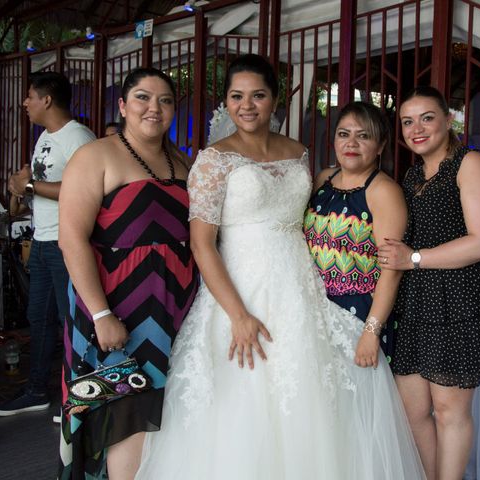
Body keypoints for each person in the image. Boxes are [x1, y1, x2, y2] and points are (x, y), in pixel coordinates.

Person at [136, 54, 425, 480]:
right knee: (242, 399)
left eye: (258, 95)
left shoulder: (299, 153)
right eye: (237, 96)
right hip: (239, 291)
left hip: (299, 288)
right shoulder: (214, 160)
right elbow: (202, 244)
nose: (247, 105)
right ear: (227, 102)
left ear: (275, 101)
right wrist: (238, 315)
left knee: (310, 399)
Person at [57, 67, 198, 479]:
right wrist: (100, 314)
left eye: (165, 100)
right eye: (142, 97)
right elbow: (72, 239)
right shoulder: (95, 155)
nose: (154, 108)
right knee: (122, 412)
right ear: (122, 105)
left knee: (164, 411)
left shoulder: (182, 162)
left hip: (175, 305)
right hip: (116, 305)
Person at [378, 86, 480, 480]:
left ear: (448, 120)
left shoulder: (470, 163)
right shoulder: (412, 173)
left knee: (450, 410)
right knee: (413, 410)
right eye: (407, 121)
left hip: (463, 299)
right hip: (419, 301)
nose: (416, 128)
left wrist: (414, 258)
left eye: (427, 117)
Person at [0, 72, 96, 417]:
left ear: (47, 100)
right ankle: (38, 389)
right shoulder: (45, 138)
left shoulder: (78, 137)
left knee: (73, 320)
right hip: (42, 240)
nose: (25, 103)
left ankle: (80, 393)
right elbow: (35, 184)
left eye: (30, 96)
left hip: (67, 243)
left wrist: (31, 186)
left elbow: (86, 188)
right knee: (39, 317)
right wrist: (21, 190)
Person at [304, 101, 407, 367]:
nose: (351, 143)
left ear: (381, 146)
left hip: (359, 312)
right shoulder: (323, 179)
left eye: (363, 136)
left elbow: (391, 269)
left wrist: (371, 332)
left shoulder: (383, 191)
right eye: (344, 134)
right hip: (315, 307)